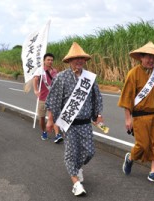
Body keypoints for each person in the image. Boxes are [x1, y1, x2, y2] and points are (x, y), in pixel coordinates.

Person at [45, 42, 103, 196]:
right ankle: (76, 183)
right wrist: (51, 120)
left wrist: (98, 114)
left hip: (85, 123)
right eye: (75, 58)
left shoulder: (89, 78)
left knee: (89, 152)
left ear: (84, 60)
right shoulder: (61, 78)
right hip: (68, 124)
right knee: (71, 152)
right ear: (69, 61)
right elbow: (53, 101)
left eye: (81, 59)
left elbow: (96, 97)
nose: (78, 61)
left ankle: (77, 169)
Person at [118, 41, 154, 185]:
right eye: (148, 57)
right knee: (142, 145)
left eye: (153, 58)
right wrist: (128, 119)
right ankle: (130, 158)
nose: (151, 60)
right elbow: (127, 97)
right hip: (140, 116)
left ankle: (153, 173)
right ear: (141, 57)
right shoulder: (133, 73)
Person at [33, 53, 63, 143]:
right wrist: (35, 90)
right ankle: (44, 131)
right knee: (42, 118)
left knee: (54, 117)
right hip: (42, 97)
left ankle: (57, 135)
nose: (50, 61)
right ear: (44, 60)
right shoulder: (40, 70)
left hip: (53, 98)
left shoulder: (54, 71)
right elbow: (35, 79)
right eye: (48, 60)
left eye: (51, 60)